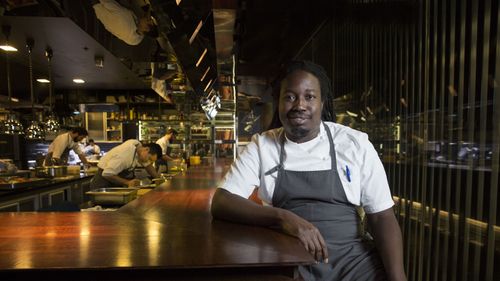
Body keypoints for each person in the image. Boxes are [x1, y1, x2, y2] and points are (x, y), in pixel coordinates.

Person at [211, 61, 406, 281]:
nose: (299, 105)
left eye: (310, 97)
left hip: (353, 264)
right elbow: (221, 202)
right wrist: (284, 218)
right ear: (279, 103)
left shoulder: (354, 144)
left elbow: (381, 217)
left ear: (322, 103)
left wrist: (398, 277)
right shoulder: (262, 146)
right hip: (290, 260)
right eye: (290, 97)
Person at [90, 139, 161, 188]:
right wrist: (127, 182)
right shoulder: (126, 155)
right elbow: (107, 174)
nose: (148, 161)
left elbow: (148, 166)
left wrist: (159, 180)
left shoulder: (138, 146)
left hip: (114, 183)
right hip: (103, 183)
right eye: (149, 159)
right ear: (147, 149)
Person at [93, 0, 159, 45]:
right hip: (108, 11)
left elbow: (106, 2)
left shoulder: (124, 18)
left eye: (148, 20)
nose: (148, 18)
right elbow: (145, 20)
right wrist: (148, 10)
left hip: (99, 4)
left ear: (146, 28)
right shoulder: (137, 39)